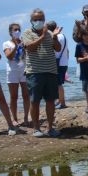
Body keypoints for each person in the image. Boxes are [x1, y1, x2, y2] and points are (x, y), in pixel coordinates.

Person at [22, 9, 63, 137]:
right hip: (34, 72)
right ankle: (36, 129)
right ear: (31, 21)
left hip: (50, 71)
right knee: (35, 101)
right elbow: (30, 47)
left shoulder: (50, 33)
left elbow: (57, 48)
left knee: (50, 100)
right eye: (36, 19)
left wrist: (54, 37)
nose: (38, 21)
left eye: (41, 19)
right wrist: (42, 36)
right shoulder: (27, 33)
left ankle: (50, 128)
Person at [3, 23, 30, 127]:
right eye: (15, 30)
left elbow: (27, 55)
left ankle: (26, 118)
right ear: (10, 32)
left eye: (18, 29)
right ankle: (14, 119)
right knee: (14, 97)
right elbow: (9, 56)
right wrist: (15, 46)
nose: (17, 31)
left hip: (24, 71)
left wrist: (24, 45)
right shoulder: (6, 43)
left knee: (26, 95)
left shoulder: (24, 42)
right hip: (12, 72)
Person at [47, 21, 69, 109]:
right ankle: (60, 101)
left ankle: (62, 102)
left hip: (58, 63)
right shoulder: (63, 36)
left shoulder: (56, 37)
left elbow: (55, 50)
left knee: (58, 83)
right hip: (64, 62)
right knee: (59, 83)